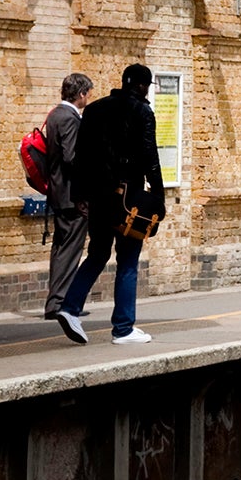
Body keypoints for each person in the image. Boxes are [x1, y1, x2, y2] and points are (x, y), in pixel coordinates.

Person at [57, 63, 165, 347]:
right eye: (147, 86)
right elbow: (150, 158)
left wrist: (80, 196)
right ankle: (123, 328)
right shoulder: (143, 112)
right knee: (128, 260)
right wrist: (158, 198)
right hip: (128, 198)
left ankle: (70, 308)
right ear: (142, 86)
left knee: (97, 253)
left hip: (97, 196)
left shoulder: (94, 110)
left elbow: (80, 159)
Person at [41, 72, 92, 322]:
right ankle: (60, 303)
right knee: (70, 249)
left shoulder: (54, 115)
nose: (88, 98)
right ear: (81, 94)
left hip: (58, 192)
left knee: (60, 248)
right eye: (88, 94)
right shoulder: (70, 118)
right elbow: (72, 157)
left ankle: (55, 301)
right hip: (73, 195)